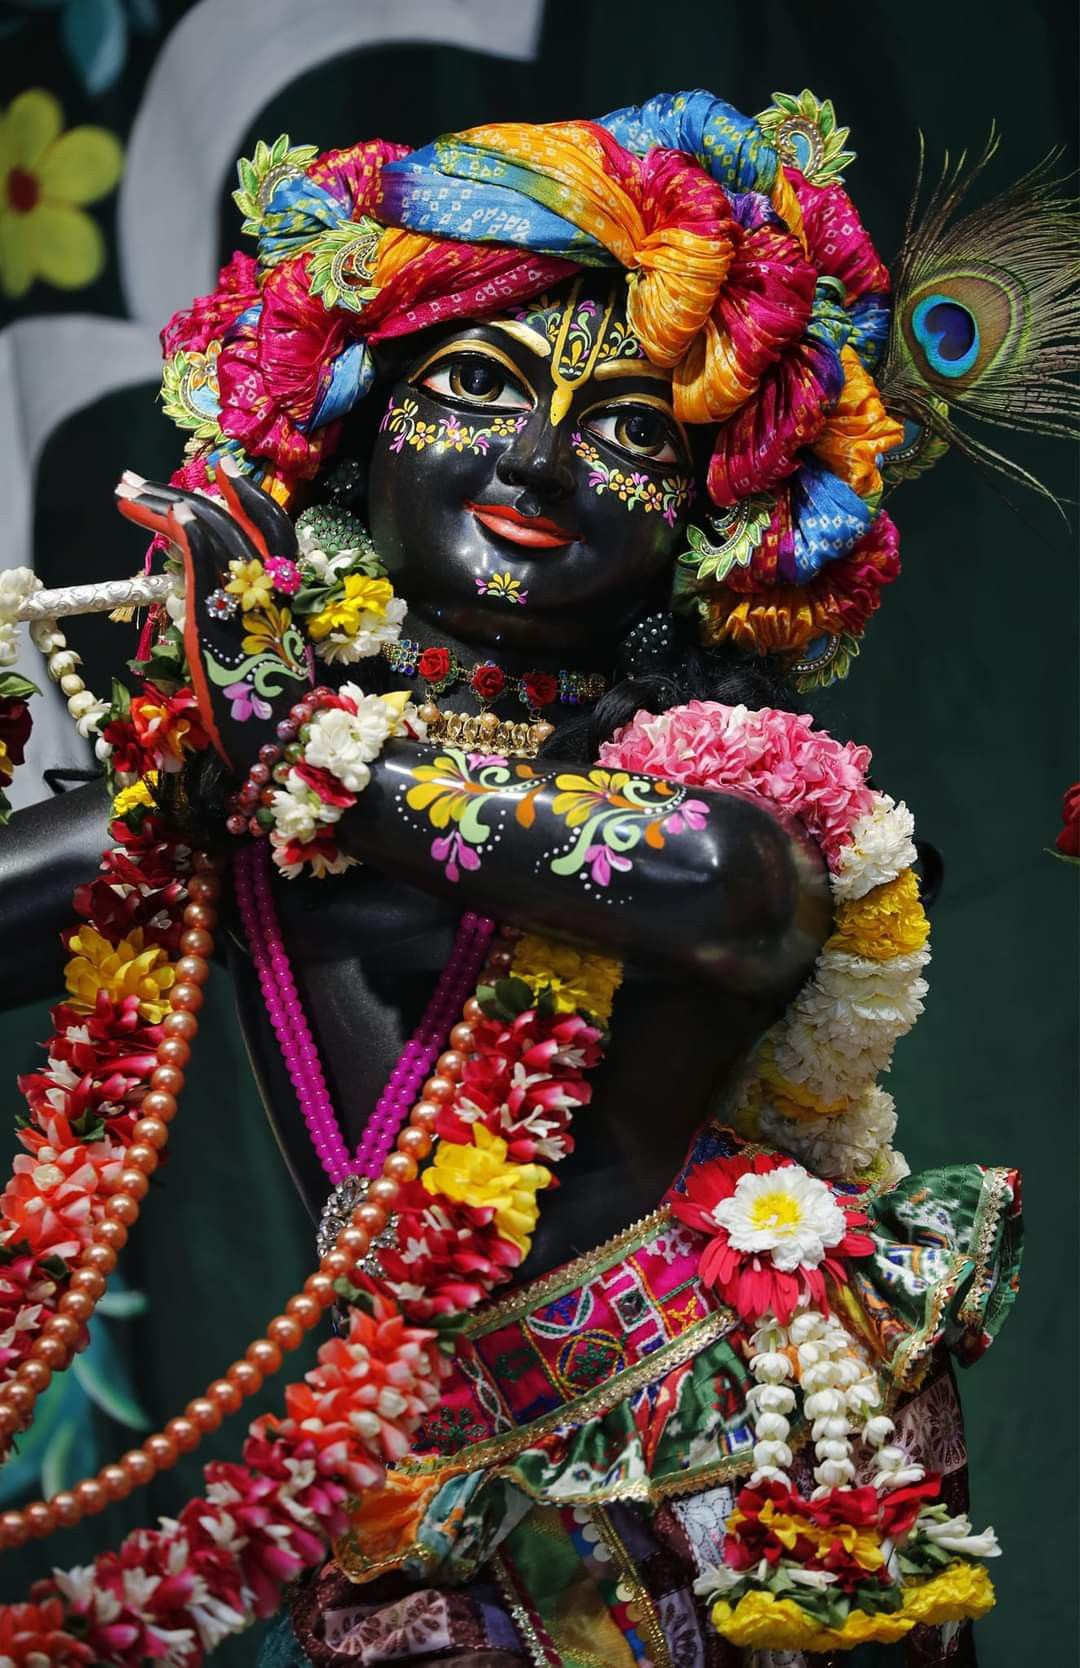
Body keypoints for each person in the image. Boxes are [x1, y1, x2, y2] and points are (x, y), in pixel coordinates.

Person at [0, 89, 1070, 1666]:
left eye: (635, 428)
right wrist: (234, 753)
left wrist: (305, 749)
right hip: (431, 1478)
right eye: (476, 386)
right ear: (355, 438)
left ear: (715, 517)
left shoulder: (714, 784)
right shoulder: (222, 789)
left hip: (732, 1439)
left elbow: (722, 898)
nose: (541, 457)